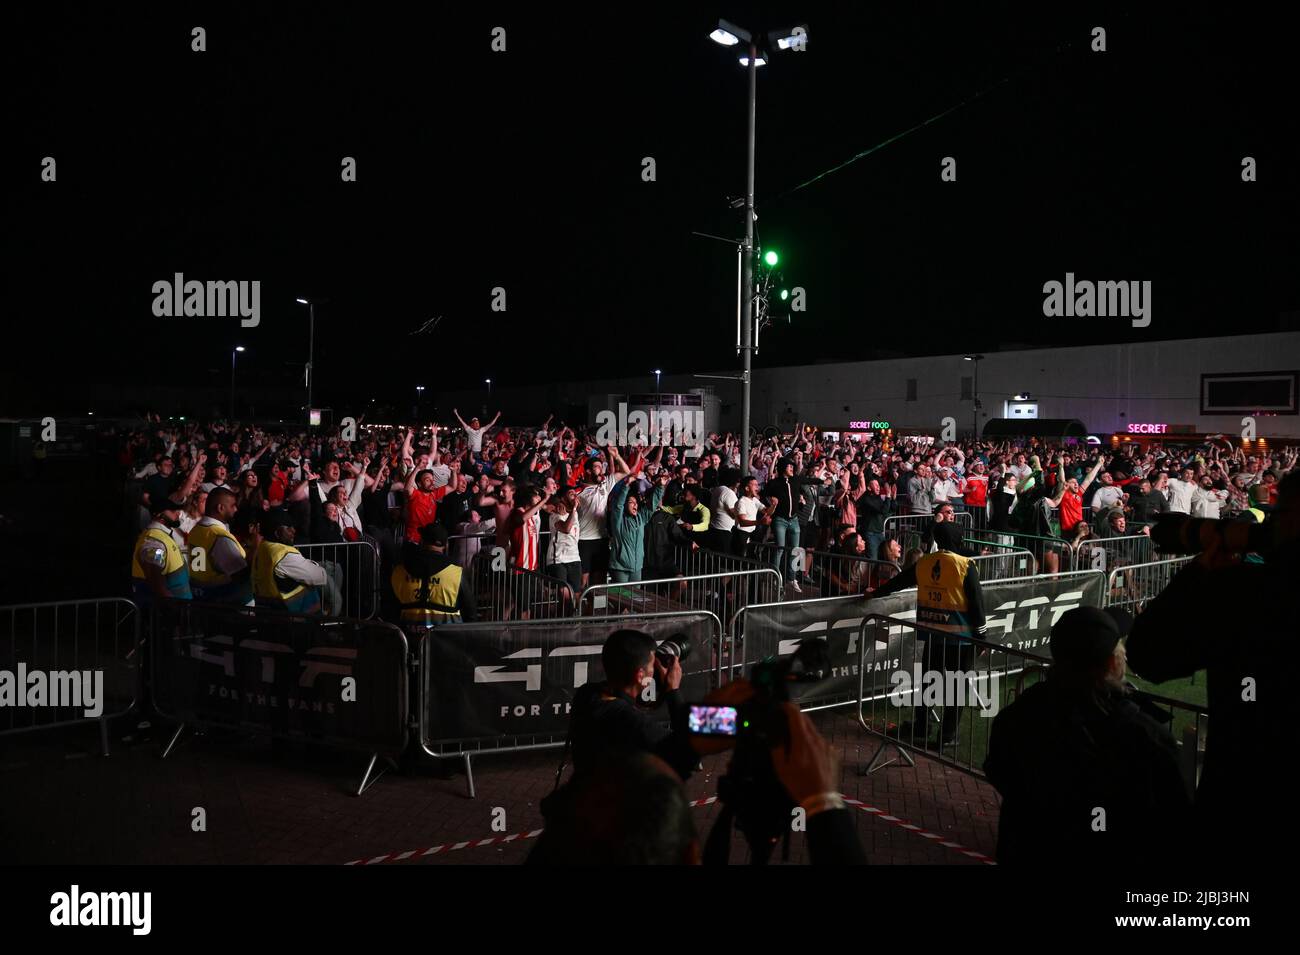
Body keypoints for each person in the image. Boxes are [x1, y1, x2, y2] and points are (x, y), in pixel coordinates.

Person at [1126, 472, 1300, 862]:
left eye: (1281, 514)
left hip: (1245, 798)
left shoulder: (1253, 594)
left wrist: (1202, 572)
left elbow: (1148, 654)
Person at [984, 606, 1191, 865]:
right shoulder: (1146, 737)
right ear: (1112, 662)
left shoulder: (1017, 716)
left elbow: (999, 772)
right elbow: (1172, 823)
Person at [871, 523, 987, 747]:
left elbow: (898, 582)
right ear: (959, 540)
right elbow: (977, 605)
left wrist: (875, 593)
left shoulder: (924, 562)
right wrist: (982, 636)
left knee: (929, 682)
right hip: (960, 639)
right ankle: (948, 735)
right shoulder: (965, 565)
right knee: (956, 686)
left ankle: (922, 726)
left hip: (932, 634)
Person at [390, 522, 476, 629]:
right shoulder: (455, 573)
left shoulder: (399, 570)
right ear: (446, 545)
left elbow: (390, 609)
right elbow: (471, 612)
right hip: (447, 641)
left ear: (421, 542)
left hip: (408, 639)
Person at [251, 509, 329, 615]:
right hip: (294, 618)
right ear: (277, 533)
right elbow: (320, 576)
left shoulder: (262, 547)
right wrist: (313, 564)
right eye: (288, 527)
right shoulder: (284, 554)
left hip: (269, 614)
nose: (293, 530)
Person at [186, 487, 252, 605]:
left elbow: (200, 568)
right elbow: (241, 576)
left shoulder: (197, 529)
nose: (236, 509)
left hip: (200, 597)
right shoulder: (220, 537)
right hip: (227, 603)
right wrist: (256, 549)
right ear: (220, 508)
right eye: (233, 505)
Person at [607, 471, 668, 583]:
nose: (635, 504)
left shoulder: (640, 518)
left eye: (636, 503)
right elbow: (618, 506)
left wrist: (660, 486)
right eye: (631, 502)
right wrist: (626, 485)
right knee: (622, 599)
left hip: (637, 567)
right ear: (625, 505)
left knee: (635, 599)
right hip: (620, 567)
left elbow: (651, 506)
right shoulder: (619, 520)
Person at [131, 495, 193, 605]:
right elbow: (155, 577)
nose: (178, 513)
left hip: (180, 606)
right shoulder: (155, 541)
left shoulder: (162, 536)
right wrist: (171, 606)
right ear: (159, 514)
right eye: (173, 510)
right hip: (169, 611)